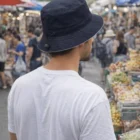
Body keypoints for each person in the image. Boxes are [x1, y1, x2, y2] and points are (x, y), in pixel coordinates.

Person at [8, 0, 116, 140]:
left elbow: (14, 137)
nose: (93, 40)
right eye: (91, 35)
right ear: (82, 40)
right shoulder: (91, 97)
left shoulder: (19, 86)